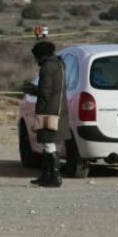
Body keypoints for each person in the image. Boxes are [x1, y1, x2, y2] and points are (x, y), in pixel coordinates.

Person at [29, 41, 70, 188]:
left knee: (48, 143)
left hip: (49, 110)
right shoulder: (59, 64)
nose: (35, 60)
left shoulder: (47, 67)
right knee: (48, 143)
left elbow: (45, 92)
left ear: (41, 55)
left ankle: (54, 177)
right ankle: (46, 176)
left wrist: (33, 91)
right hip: (59, 108)